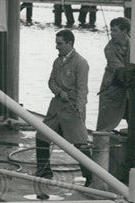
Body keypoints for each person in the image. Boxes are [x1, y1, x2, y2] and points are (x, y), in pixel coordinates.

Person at [36, 29, 93, 188]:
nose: (56, 47)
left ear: (69, 43)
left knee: (81, 143)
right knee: (41, 135)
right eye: (56, 43)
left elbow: (83, 89)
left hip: (72, 108)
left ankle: (90, 177)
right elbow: (51, 82)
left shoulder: (81, 63)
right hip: (56, 107)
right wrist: (60, 92)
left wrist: (80, 110)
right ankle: (44, 170)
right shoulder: (57, 61)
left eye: (59, 44)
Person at [96, 16, 133, 132]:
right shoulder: (109, 49)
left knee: (134, 118)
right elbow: (121, 70)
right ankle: (101, 143)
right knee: (105, 123)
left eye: (115, 31)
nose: (112, 33)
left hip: (129, 88)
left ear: (125, 31)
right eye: (111, 30)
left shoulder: (134, 44)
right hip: (112, 88)